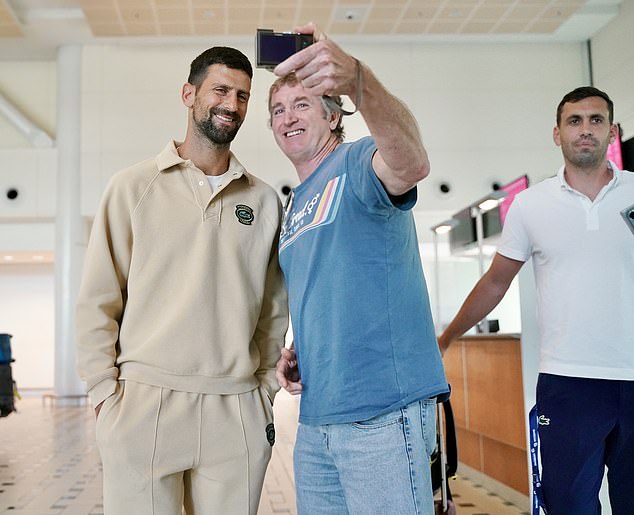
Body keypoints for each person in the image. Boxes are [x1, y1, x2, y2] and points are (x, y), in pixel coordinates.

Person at [75, 47, 288, 515]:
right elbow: (98, 300)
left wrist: (262, 395)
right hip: (142, 405)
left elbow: (273, 311)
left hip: (235, 408)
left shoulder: (266, 201)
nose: (231, 105)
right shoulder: (132, 187)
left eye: (242, 96)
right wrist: (104, 396)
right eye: (220, 90)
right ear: (189, 94)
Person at [271, 23, 449, 515]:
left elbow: (411, 164)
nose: (288, 117)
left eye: (302, 104)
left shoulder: (356, 163)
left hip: (382, 411)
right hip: (317, 417)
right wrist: (300, 348)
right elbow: (330, 287)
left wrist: (360, 83)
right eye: (278, 110)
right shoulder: (296, 205)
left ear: (333, 116)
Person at [438, 86, 634, 515]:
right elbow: (495, 283)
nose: (586, 130)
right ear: (556, 133)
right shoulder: (529, 205)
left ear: (613, 131)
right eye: (575, 121)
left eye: (596, 120)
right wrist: (446, 337)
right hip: (568, 383)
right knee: (569, 506)